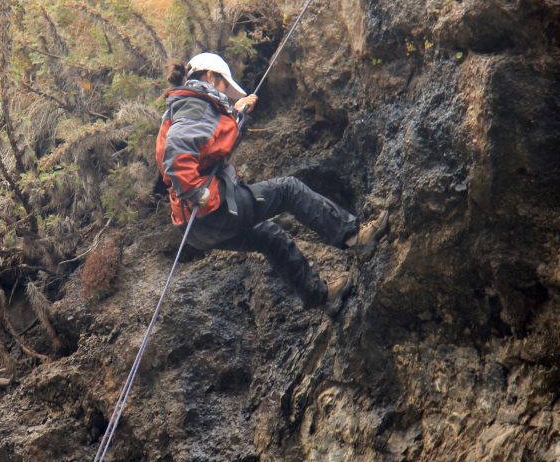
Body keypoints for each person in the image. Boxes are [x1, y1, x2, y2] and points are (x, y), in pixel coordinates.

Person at [155, 52, 388, 316]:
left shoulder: (185, 106)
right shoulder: (197, 105)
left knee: (269, 237)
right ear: (210, 77)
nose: (224, 91)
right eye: (223, 84)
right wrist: (195, 192)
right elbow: (177, 149)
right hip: (210, 208)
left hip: (193, 227)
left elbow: (209, 147)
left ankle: (323, 298)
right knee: (289, 189)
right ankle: (356, 237)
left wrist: (237, 116)